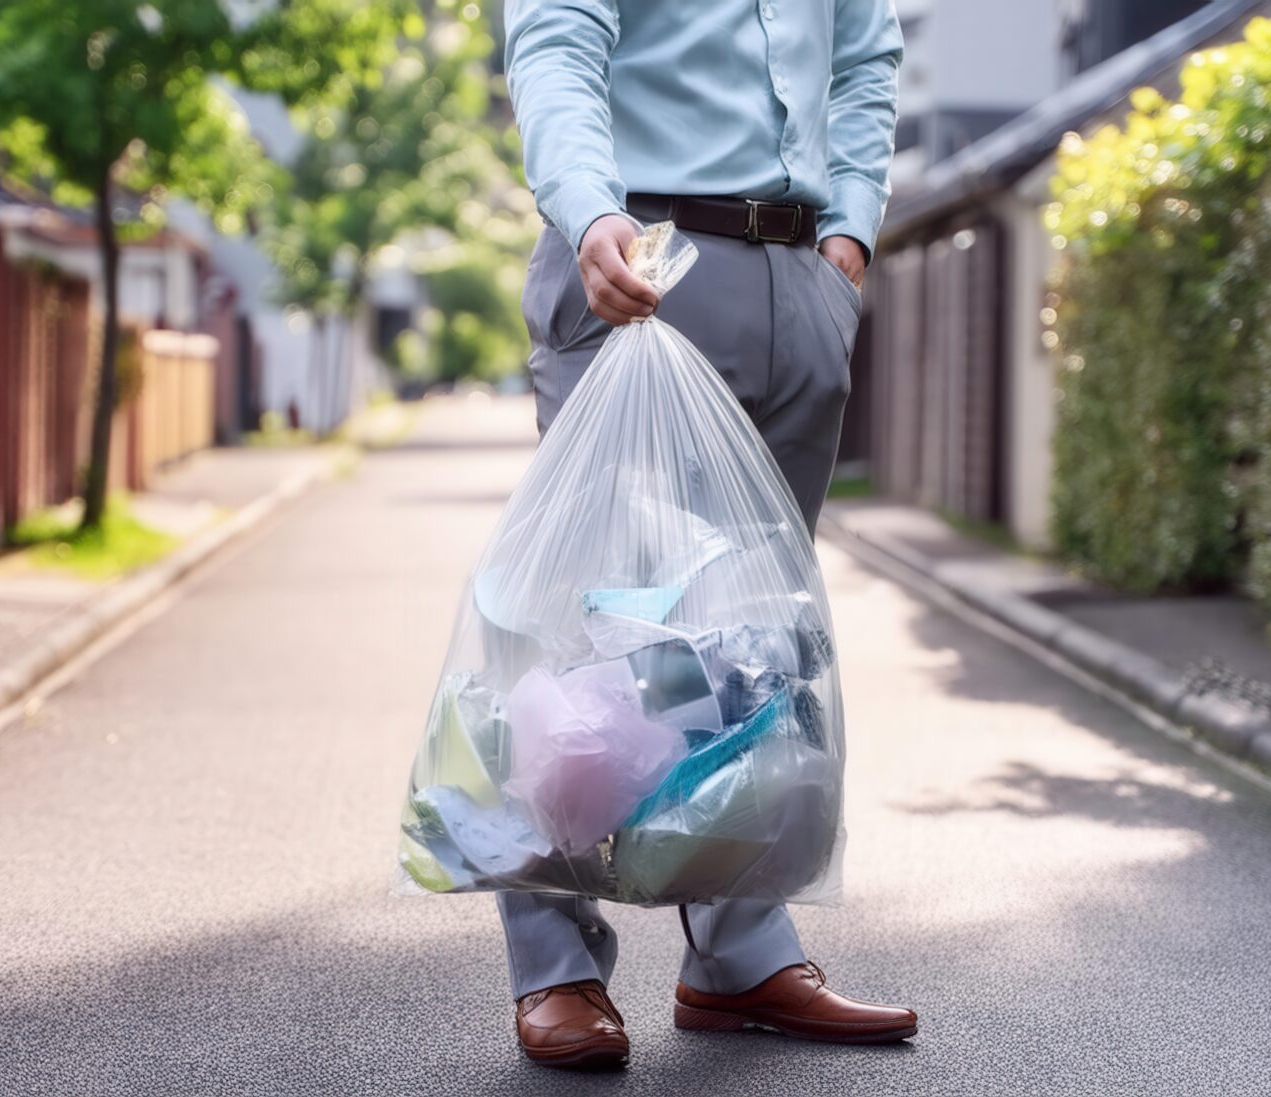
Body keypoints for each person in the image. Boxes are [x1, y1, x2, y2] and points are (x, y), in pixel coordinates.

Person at [501, 0, 917, 1070]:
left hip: (799, 281)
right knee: (591, 633)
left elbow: (867, 59)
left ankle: (738, 954)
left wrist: (849, 240)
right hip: (638, 264)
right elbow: (555, 41)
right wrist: (588, 212)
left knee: (759, 642)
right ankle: (556, 965)